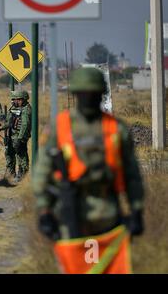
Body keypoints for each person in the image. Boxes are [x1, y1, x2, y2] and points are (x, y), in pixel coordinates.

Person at [32, 67, 144, 274]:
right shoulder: (60, 127)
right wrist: (44, 211)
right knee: (75, 267)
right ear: (75, 94)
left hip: (108, 214)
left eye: (94, 94)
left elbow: (132, 174)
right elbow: (42, 173)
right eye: (83, 94)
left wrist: (136, 210)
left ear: (102, 94)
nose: (89, 98)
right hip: (70, 211)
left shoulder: (117, 129)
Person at [0, 90, 32, 182]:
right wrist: (0, 128)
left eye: (18, 99)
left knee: (21, 155)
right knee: (9, 153)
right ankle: (11, 172)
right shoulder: (13, 108)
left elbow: (25, 125)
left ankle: (23, 173)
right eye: (14, 99)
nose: (15, 101)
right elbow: (9, 122)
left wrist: (21, 138)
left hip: (20, 136)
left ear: (24, 99)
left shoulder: (26, 109)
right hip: (11, 136)